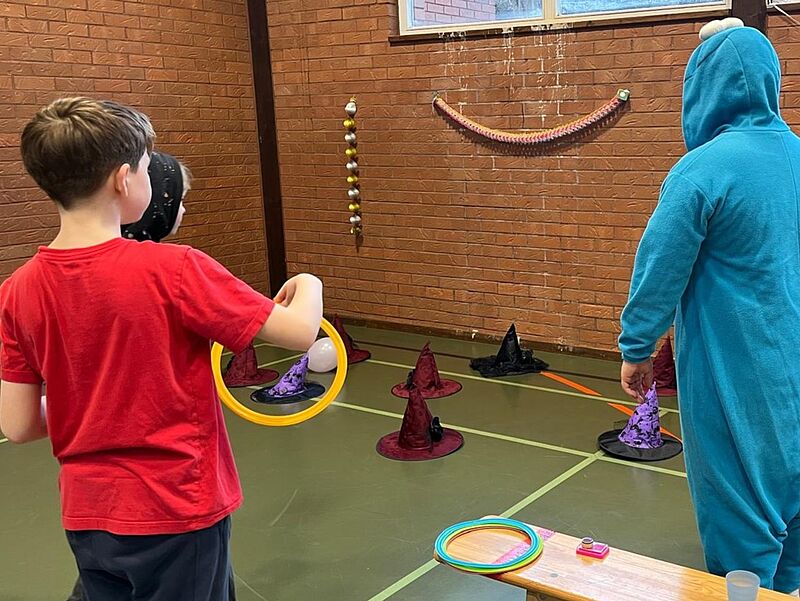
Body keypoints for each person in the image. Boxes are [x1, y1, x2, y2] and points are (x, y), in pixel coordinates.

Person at [0, 97, 323, 601]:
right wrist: (308, 281)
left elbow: (18, 425)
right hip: (177, 508)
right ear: (123, 179)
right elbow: (301, 332)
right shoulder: (175, 270)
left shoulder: (16, 290)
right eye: (148, 167)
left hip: (88, 515)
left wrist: (86, 405)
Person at [618, 20, 800, 594]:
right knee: (795, 506)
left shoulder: (704, 169)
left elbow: (660, 267)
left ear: (702, 87)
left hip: (735, 370)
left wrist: (637, 347)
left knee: (738, 506)